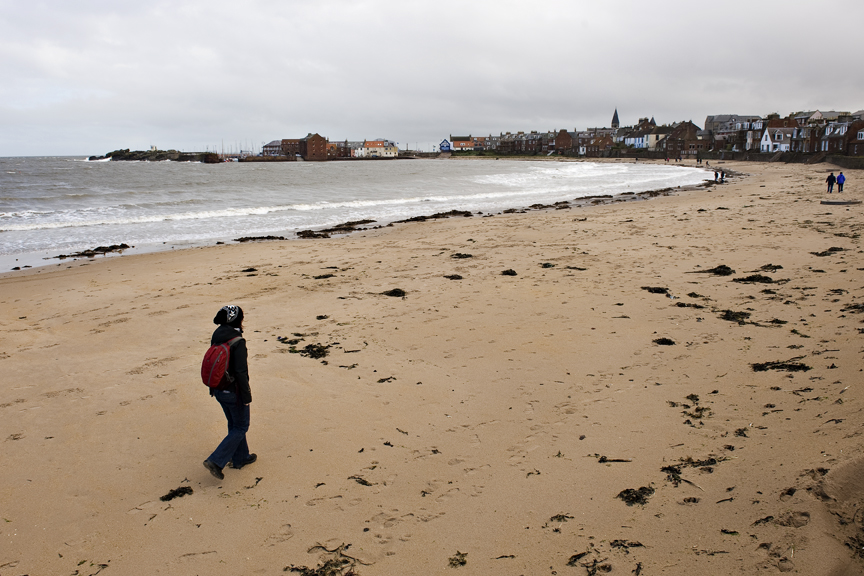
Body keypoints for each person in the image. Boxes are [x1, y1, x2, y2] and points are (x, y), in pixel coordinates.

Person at [203, 305, 255, 479]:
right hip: (234, 392)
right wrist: (246, 396)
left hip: (218, 389)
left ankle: (241, 457)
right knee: (241, 426)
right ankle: (216, 461)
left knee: (234, 424)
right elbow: (241, 372)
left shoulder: (217, 335)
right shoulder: (237, 341)